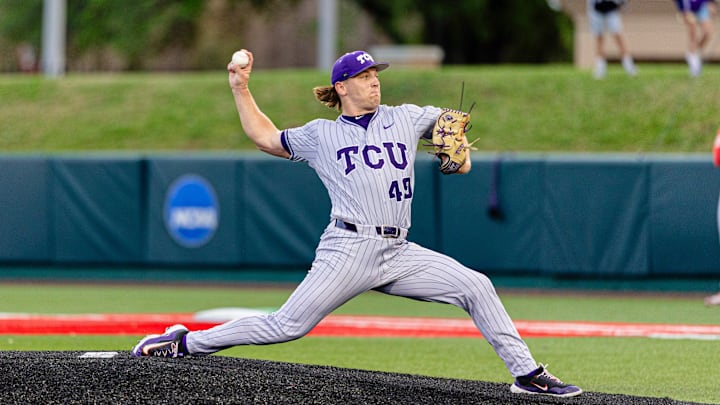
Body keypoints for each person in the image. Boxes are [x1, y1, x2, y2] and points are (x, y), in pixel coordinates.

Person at [131, 49, 583, 398]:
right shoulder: (321, 134)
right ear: (342, 86)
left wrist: (456, 143)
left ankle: (528, 375)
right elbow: (264, 137)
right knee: (286, 326)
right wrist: (240, 88)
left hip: (399, 251)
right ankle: (185, 343)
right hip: (347, 248)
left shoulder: (404, 118)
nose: (374, 83)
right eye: (364, 77)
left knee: (476, 286)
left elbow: (448, 125)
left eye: (376, 76)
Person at [587, 0, 637, 79]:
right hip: (596, 10)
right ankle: (600, 68)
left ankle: (629, 66)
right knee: (599, 38)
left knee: (618, 37)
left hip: (611, 10)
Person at [675, 0, 717, 77]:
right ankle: (694, 66)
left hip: (701, 5)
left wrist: (712, 3)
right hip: (687, 8)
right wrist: (683, 9)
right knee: (693, 34)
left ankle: (694, 53)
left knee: (707, 32)